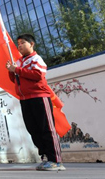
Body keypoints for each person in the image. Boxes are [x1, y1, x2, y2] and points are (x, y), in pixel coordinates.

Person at [6, 34, 65, 171]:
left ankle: (55, 160)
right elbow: (15, 80)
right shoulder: (19, 61)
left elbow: (38, 75)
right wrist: (11, 70)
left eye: (22, 42)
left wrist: (17, 70)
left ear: (31, 44)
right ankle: (45, 157)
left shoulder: (36, 58)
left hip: (39, 96)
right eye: (18, 43)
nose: (19, 45)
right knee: (33, 129)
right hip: (25, 99)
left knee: (46, 128)